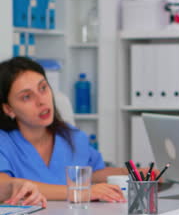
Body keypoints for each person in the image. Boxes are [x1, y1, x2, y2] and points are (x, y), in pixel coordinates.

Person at [0, 57, 158, 202]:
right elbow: (4, 185)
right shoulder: (4, 142)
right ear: (8, 109)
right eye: (27, 97)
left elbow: (91, 174)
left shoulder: (71, 136)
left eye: (43, 88)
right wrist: (79, 192)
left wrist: (130, 173)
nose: (41, 101)